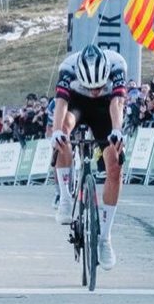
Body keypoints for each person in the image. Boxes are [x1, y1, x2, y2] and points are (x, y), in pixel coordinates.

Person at [50, 44, 128, 271]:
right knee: (63, 133)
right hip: (77, 105)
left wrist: (117, 130)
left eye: (99, 86)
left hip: (106, 109)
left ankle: (105, 238)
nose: (95, 90)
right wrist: (56, 131)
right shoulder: (68, 68)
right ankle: (65, 197)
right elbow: (62, 104)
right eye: (90, 86)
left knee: (114, 164)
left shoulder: (117, 64)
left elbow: (117, 103)